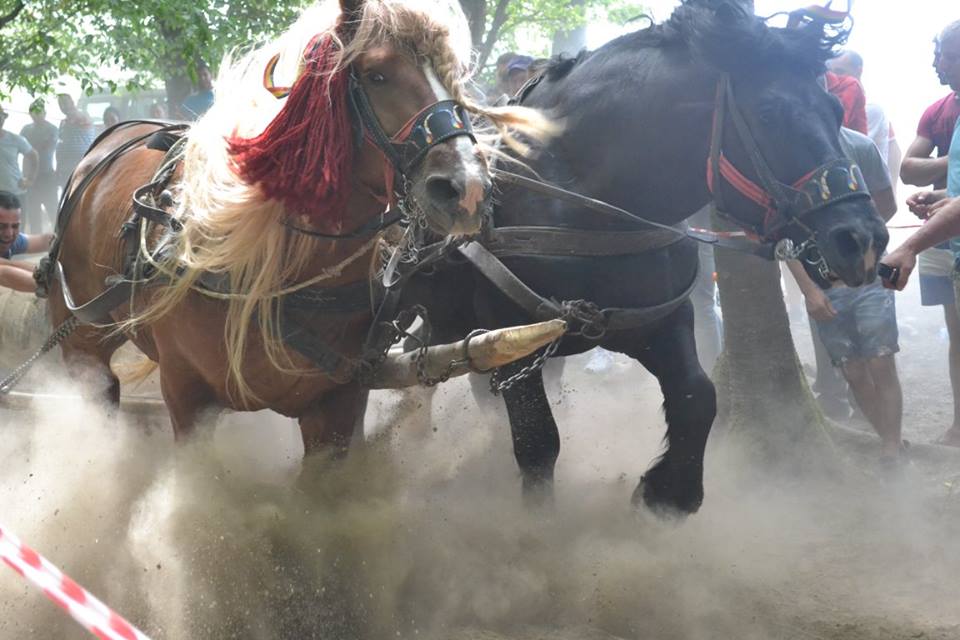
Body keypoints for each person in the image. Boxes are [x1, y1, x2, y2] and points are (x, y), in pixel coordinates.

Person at [789, 127, 902, 464]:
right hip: (823, 285)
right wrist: (809, 290)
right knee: (853, 372)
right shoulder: (785, 152)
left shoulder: (859, 145)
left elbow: (886, 205)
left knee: (881, 360)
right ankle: (889, 440)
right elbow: (784, 236)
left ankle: (892, 449)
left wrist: (862, 248)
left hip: (869, 276)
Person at [899, 20, 960, 445]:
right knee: (957, 333)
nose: (937, 63)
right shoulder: (939, 111)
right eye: (938, 54)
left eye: (946, 55)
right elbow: (907, 169)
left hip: (945, 231)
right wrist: (945, 192)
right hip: (945, 239)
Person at [828, 50, 902, 191]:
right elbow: (895, 149)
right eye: (831, 72)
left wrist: (890, 193)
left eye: (840, 72)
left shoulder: (871, 109)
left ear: (859, 71)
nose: (834, 78)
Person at [18, 99, 59, 233]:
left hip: (47, 174)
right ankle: (36, 239)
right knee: (33, 212)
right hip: (30, 177)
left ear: (44, 113)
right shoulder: (25, 129)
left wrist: (30, 149)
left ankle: (58, 238)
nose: (36, 114)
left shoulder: (52, 129)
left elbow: (45, 147)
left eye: (39, 111)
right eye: (33, 112)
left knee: (53, 210)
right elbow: (21, 149)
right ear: (30, 113)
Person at [0, 191, 52, 292]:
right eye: (1, 226)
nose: (9, 233)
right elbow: (4, 273)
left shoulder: (12, 239)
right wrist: (52, 284)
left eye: (15, 226)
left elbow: (44, 241)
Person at [0, 106, 39, 211]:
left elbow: (33, 156)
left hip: (14, 193)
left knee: (18, 222)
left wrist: (30, 179)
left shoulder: (15, 139)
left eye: (1, 116)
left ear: (4, 119)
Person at [55, 93, 95, 190]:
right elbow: (61, 142)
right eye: (60, 104)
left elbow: (79, 121)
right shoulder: (63, 122)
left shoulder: (83, 115)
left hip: (81, 165)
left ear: (72, 102)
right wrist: (58, 167)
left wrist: (71, 119)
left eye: (65, 103)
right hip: (65, 166)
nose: (63, 106)